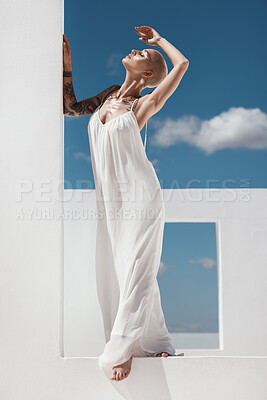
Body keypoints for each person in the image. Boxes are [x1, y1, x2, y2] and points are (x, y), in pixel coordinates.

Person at [63, 26, 189, 382]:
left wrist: (160, 42)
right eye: (139, 50)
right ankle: (154, 340)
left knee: (136, 266)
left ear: (148, 74)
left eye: (143, 55)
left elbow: (181, 65)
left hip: (141, 196)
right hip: (110, 200)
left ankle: (121, 350)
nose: (136, 51)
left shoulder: (143, 103)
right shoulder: (108, 98)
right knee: (118, 267)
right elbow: (68, 107)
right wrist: (67, 63)